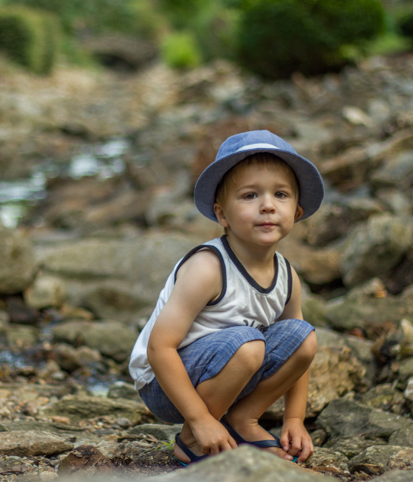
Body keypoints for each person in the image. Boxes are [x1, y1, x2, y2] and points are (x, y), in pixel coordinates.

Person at [128, 130, 324, 465]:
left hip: (232, 368)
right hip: (165, 384)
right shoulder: (208, 267)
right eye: (249, 195)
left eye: (280, 194)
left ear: (297, 211)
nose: (267, 205)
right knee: (249, 345)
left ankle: (243, 419)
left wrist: (294, 419)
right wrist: (200, 419)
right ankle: (193, 437)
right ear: (222, 214)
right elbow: (160, 348)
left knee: (303, 337)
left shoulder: (287, 275)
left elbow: (296, 352)